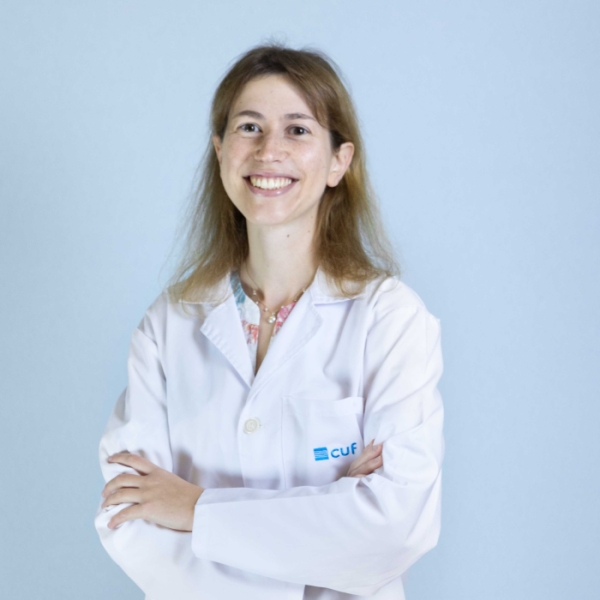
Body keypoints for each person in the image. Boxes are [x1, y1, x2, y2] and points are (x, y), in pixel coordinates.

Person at [94, 42, 444, 600]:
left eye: (298, 130)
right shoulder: (169, 324)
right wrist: (327, 513)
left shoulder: (389, 318)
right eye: (249, 127)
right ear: (220, 151)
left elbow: (394, 526)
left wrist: (195, 509)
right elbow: (129, 516)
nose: (268, 151)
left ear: (339, 162)